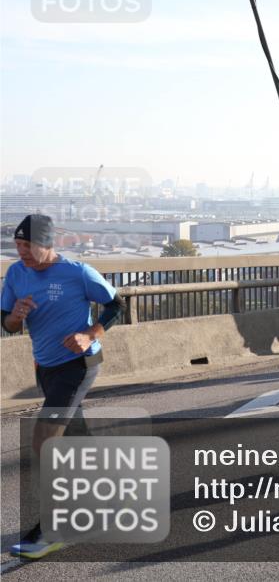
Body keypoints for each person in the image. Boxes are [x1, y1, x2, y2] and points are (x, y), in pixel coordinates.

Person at [2, 215, 125, 559]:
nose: (22, 251)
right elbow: (7, 324)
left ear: (47, 243)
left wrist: (90, 334)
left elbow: (118, 305)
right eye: (18, 245)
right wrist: (16, 315)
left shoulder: (78, 272)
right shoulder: (15, 274)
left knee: (45, 439)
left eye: (29, 245)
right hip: (46, 368)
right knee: (76, 437)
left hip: (79, 367)